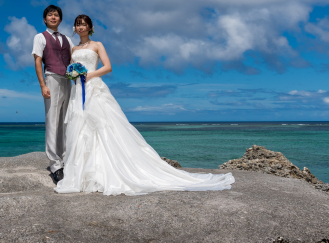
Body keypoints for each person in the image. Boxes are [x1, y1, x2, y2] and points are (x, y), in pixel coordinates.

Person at [55, 14, 235, 194]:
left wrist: (89, 75)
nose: (81, 27)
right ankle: (83, 173)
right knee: (80, 128)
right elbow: (71, 68)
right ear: (74, 28)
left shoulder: (97, 45)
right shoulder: (74, 49)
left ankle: (108, 170)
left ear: (90, 27)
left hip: (94, 87)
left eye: (84, 25)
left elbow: (108, 67)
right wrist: (74, 75)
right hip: (78, 91)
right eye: (78, 25)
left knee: (102, 125)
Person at [32, 4, 74, 184]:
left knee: (65, 120)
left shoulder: (66, 39)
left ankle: (65, 158)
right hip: (51, 78)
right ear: (45, 19)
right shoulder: (40, 37)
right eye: (50, 15)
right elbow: (38, 60)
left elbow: (73, 58)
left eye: (56, 15)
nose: (53, 17)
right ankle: (55, 164)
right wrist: (42, 85)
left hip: (67, 80)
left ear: (60, 19)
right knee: (52, 120)